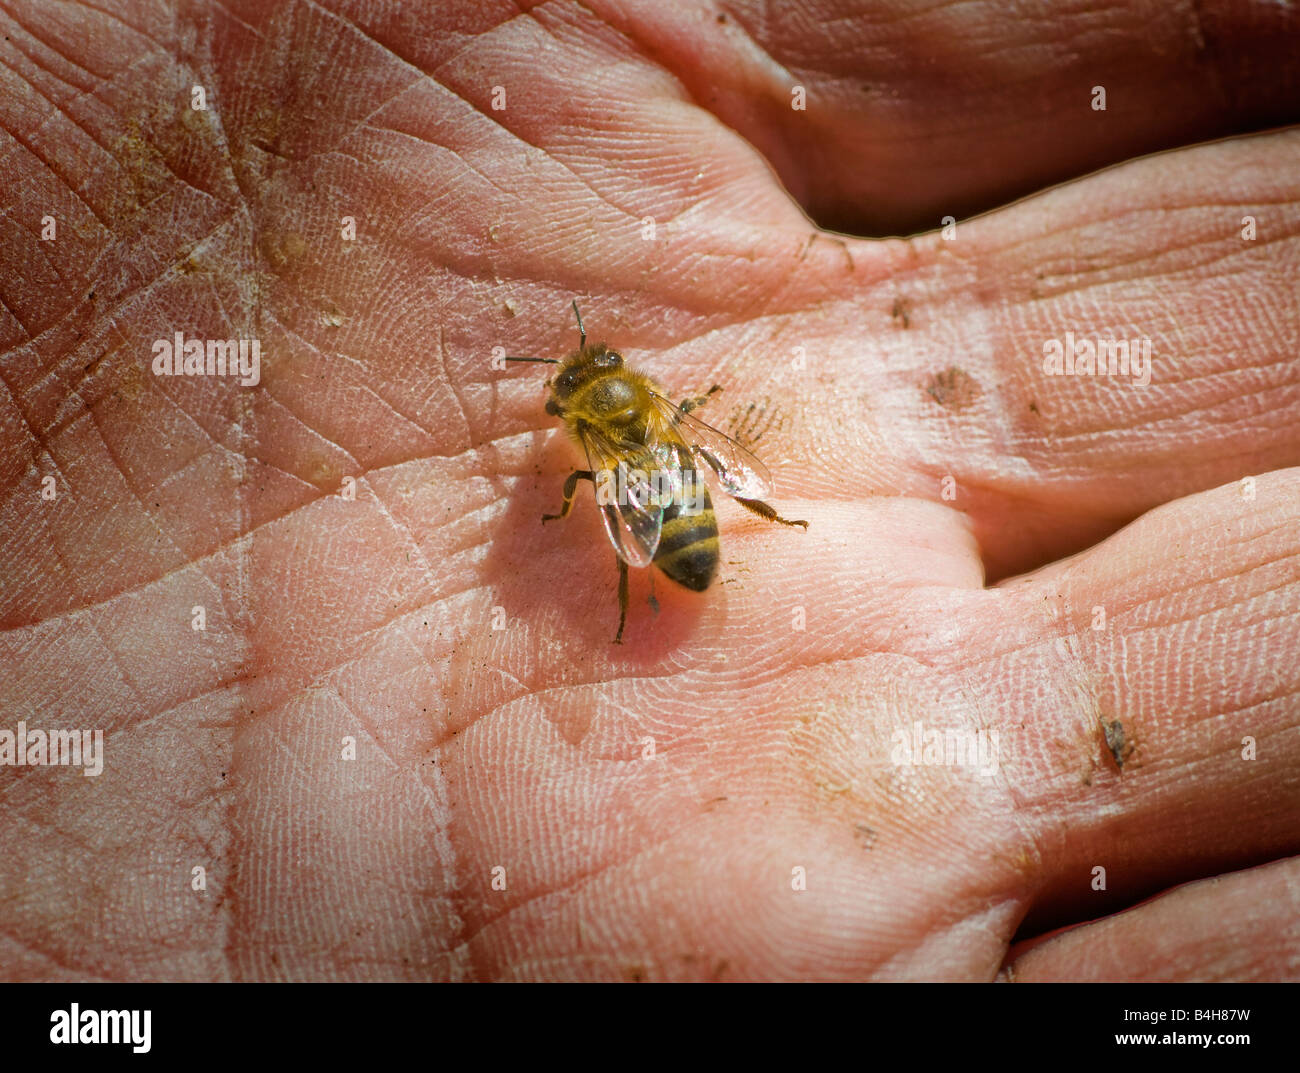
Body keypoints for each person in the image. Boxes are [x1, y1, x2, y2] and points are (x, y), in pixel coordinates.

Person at [3, 0, 1297, 982]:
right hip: (672, 491)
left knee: (672, 491)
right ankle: (750, 526)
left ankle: (726, 540)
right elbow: (641, 443)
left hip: (661, 504)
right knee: (692, 480)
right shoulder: (625, 424)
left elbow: (588, 473)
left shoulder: (584, 442)